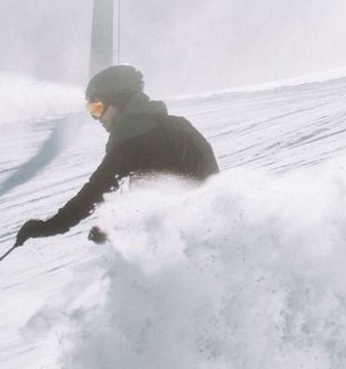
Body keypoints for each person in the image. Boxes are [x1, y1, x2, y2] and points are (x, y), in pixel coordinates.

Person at [16, 64, 220, 246]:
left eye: (97, 107)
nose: (96, 117)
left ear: (119, 99)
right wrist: (118, 225)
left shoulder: (132, 138)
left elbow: (96, 190)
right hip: (204, 232)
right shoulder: (177, 126)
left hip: (175, 244)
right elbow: (183, 184)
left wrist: (50, 226)